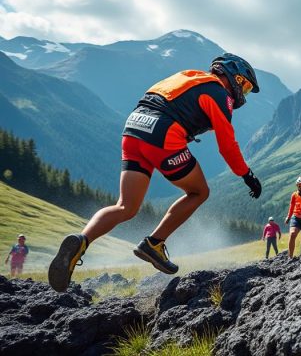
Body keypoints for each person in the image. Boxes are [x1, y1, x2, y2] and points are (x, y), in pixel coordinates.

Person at [48, 53, 263, 292]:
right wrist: (246, 174)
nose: (242, 93)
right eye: (244, 85)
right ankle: (154, 243)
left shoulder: (188, 76)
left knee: (125, 206)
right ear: (231, 75)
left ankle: (80, 241)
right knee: (199, 192)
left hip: (133, 129)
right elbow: (227, 145)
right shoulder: (220, 94)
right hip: (163, 133)